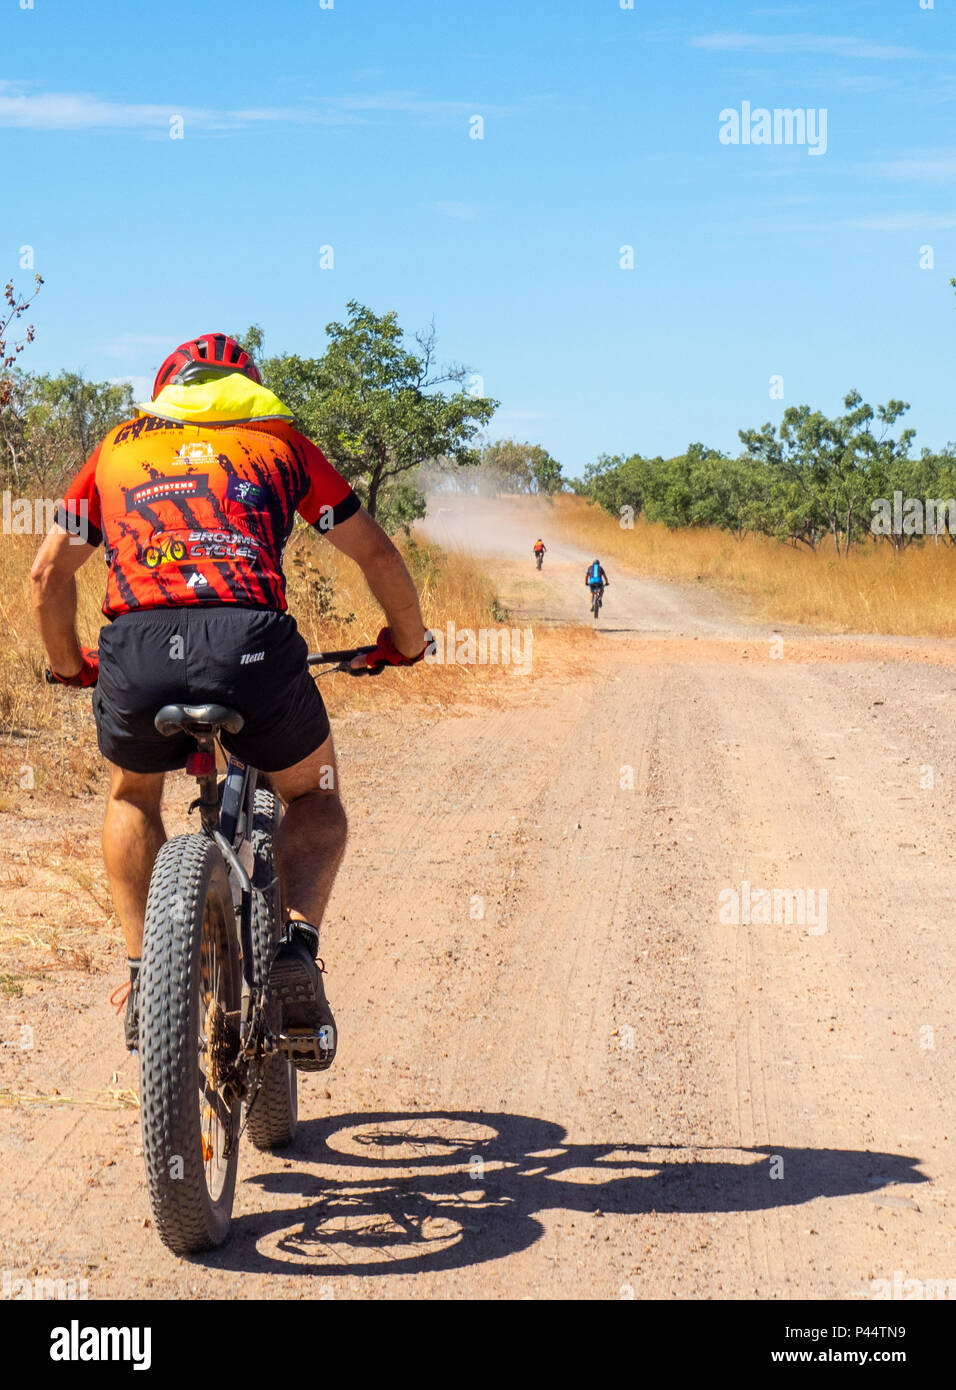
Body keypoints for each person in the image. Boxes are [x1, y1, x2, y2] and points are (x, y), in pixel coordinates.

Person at [30, 333, 431, 1071]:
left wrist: (68, 667)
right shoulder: (280, 443)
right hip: (250, 646)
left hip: (139, 650)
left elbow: (47, 571)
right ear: (246, 385)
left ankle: (145, 972)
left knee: (131, 797)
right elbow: (376, 552)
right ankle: (296, 950)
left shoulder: (119, 446)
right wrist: (406, 643)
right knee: (314, 798)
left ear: (166, 390)